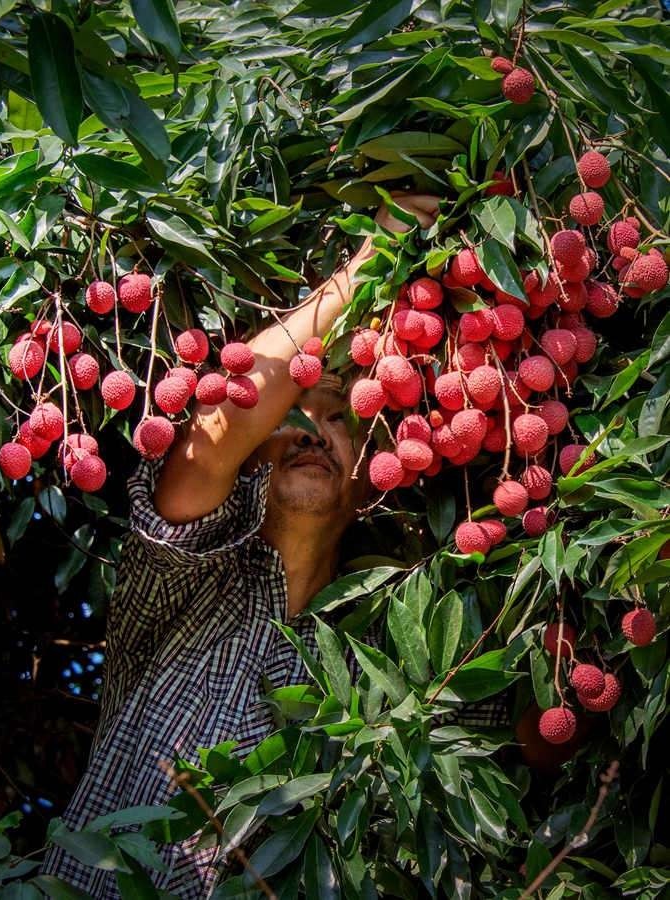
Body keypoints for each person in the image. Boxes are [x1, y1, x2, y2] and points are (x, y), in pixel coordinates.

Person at [41, 194, 507, 897]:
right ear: (254, 458)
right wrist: (372, 263)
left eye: (341, 420)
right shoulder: (175, 588)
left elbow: (534, 732)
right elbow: (218, 425)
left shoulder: (397, 659)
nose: (315, 431)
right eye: (296, 415)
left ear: (373, 482)